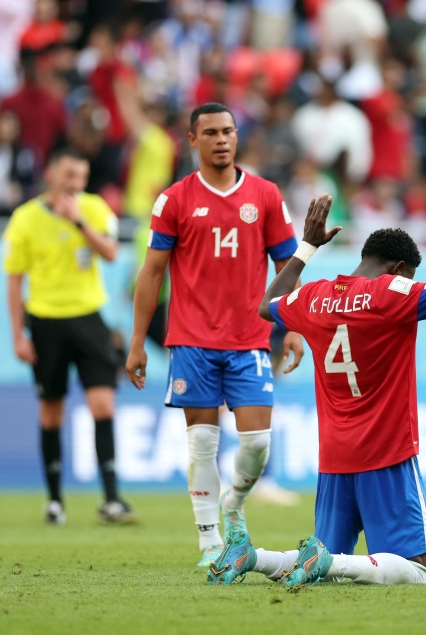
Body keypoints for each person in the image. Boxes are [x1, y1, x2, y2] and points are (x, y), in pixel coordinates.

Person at [207, 166, 426, 586]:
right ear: (397, 267)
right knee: (418, 572)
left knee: (324, 568)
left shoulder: (314, 295)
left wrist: (306, 246)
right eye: (407, 274)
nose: (407, 283)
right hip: (387, 453)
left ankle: (253, 556)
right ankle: (326, 561)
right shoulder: (391, 292)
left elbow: (268, 305)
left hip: (335, 458)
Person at [126, 103, 304, 569]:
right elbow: (152, 274)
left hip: (250, 340)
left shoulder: (265, 196)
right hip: (192, 341)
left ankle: (234, 505)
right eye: (211, 132)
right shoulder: (174, 200)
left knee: (257, 443)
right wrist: (137, 342)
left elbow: (287, 267)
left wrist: (294, 328)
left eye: (228, 131)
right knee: (203, 444)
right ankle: (209, 541)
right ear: (193, 140)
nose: (222, 139)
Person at [2, 147, 135, 525]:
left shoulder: (93, 209)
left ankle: (111, 499)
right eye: (69, 176)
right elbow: (15, 283)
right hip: (45, 323)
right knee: (51, 411)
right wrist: (19, 336)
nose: (76, 184)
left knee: (104, 406)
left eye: (81, 177)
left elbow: (111, 252)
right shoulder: (24, 219)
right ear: (51, 175)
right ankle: (55, 500)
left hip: (90, 319)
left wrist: (79, 223)